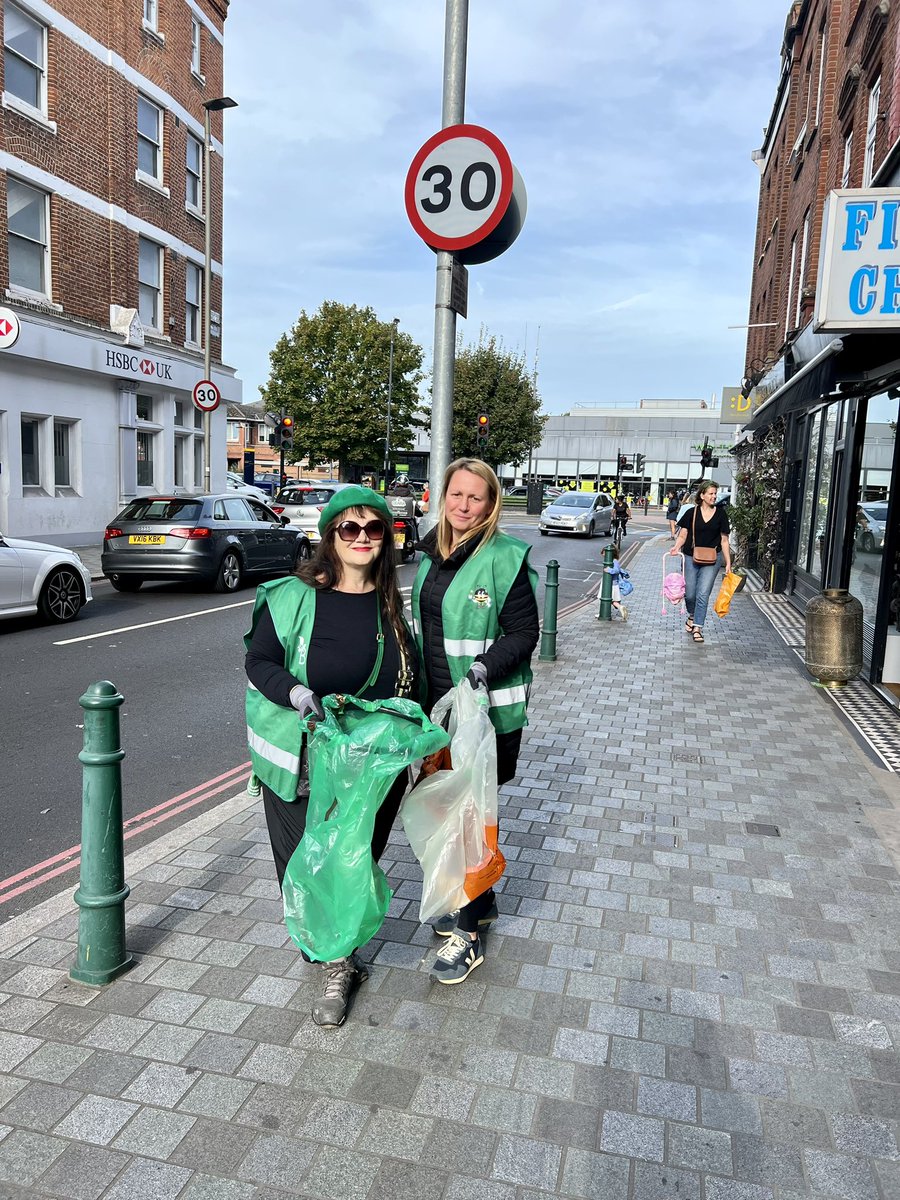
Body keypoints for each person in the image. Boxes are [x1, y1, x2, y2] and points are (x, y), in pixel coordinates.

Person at [244, 486, 418, 1027]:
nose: (363, 537)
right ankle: (334, 963)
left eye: (375, 529)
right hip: (301, 758)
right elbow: (260, 661)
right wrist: (298, 695)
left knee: (356, 858)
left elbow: (413, 677)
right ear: (331, 536)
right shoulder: (290, 595)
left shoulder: (392, 600)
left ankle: (338, 944)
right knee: (306, 862)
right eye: (350, 528)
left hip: (373, 762)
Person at [412, 458, 539, 984]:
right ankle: (479, 902)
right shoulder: (429, 553)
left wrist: (482, 671)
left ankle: (468, 933)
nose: (464, 506)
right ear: (442, 496)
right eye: (456, 495)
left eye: (476, 498)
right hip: (437, 709)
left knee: (471, 817)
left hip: (483, 713)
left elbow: (524, 633)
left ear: (491, 505)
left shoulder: (503, 559)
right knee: (449, 811)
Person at [671, 479, 732, 644]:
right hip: (691, 556)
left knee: (703, 593)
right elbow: (683, 535)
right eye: (711, 493)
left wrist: (728, 563)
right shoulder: (691, 512)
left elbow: (724, 540)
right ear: (702, 495)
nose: (714, 497)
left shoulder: (721, 514)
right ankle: (692, 614)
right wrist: (676, 547)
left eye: (715, 494)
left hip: (713, 559)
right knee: (690, 593)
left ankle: (697, 627)